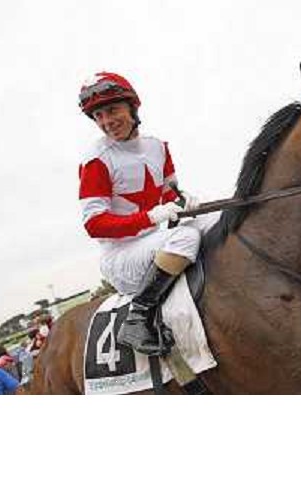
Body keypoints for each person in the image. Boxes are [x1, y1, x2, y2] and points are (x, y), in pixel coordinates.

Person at [78, 72, 218, 356]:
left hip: (156, 239)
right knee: (187, 237)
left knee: (213, 219)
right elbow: (94, 225)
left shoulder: (158, 147)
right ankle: (138, 318)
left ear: (132, 107)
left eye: (112, 110)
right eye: (99, 116)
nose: (106, 121)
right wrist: (152, 217)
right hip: (122, 255)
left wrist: (184, 201)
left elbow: (169, 195)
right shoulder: (96, 159)